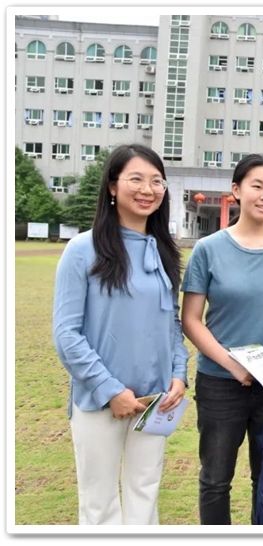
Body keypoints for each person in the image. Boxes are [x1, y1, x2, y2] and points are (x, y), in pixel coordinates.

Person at [52, 144, 188, 525]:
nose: (148, 189)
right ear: (112, 186)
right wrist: (111, 391)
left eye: (157, 181)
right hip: (100, 401)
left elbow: (172, 324)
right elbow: (66, 334)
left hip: (155, 401)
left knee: (145, 496)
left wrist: (179, 374)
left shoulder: (164, 252)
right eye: (136, 179)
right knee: (99, 505)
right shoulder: (82, 250)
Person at [180, 154, 263, 525]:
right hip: (220, 383)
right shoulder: (208, 249)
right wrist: (231, 364)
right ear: (236, 190)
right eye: (257, 186)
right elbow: (191, 320)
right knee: (216, 478)